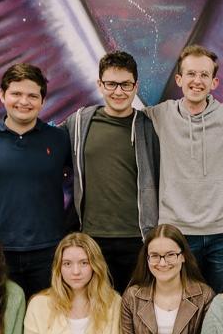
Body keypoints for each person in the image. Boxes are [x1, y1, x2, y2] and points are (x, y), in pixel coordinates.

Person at [145, 45, 223, 293]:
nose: (197, 81)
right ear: (179, 79)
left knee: (216, 304)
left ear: (214, 82)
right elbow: (122, 111)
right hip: (176, 231)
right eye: (191, 74)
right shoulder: (159, 115)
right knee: (180, 303)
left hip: (220, 232)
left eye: (204, 75)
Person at [0, 63, 72, 298]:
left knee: (45, 325)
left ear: (42, 101)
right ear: (2, 96)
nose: (23, 102)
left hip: (49, 251)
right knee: (4, 325)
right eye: (16, 94)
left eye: (32, 96)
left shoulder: (59, 139)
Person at [62, 50, 159, 292]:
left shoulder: (148, 127)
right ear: (100, 84)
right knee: (96, 308)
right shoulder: (79, 123)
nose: (118, 91)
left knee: (133, 309)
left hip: (136, 237)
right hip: (92, 237)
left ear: (136, 86)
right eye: (111, 84)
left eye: (125, 84)